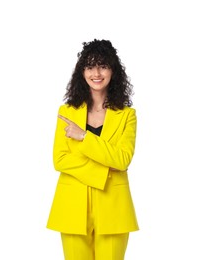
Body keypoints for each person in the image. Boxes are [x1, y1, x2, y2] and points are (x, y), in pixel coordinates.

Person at [47, 39, 139, 260]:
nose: (96, 73)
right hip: (71, 208)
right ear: (82, 72)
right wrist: (103, 171)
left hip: (114, 209)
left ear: (113, 71)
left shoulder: (127, 115)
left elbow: (122, 159)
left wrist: (83, 137)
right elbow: (60, 160)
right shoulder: (66, 112)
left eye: (103, 65)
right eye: (90, 66)